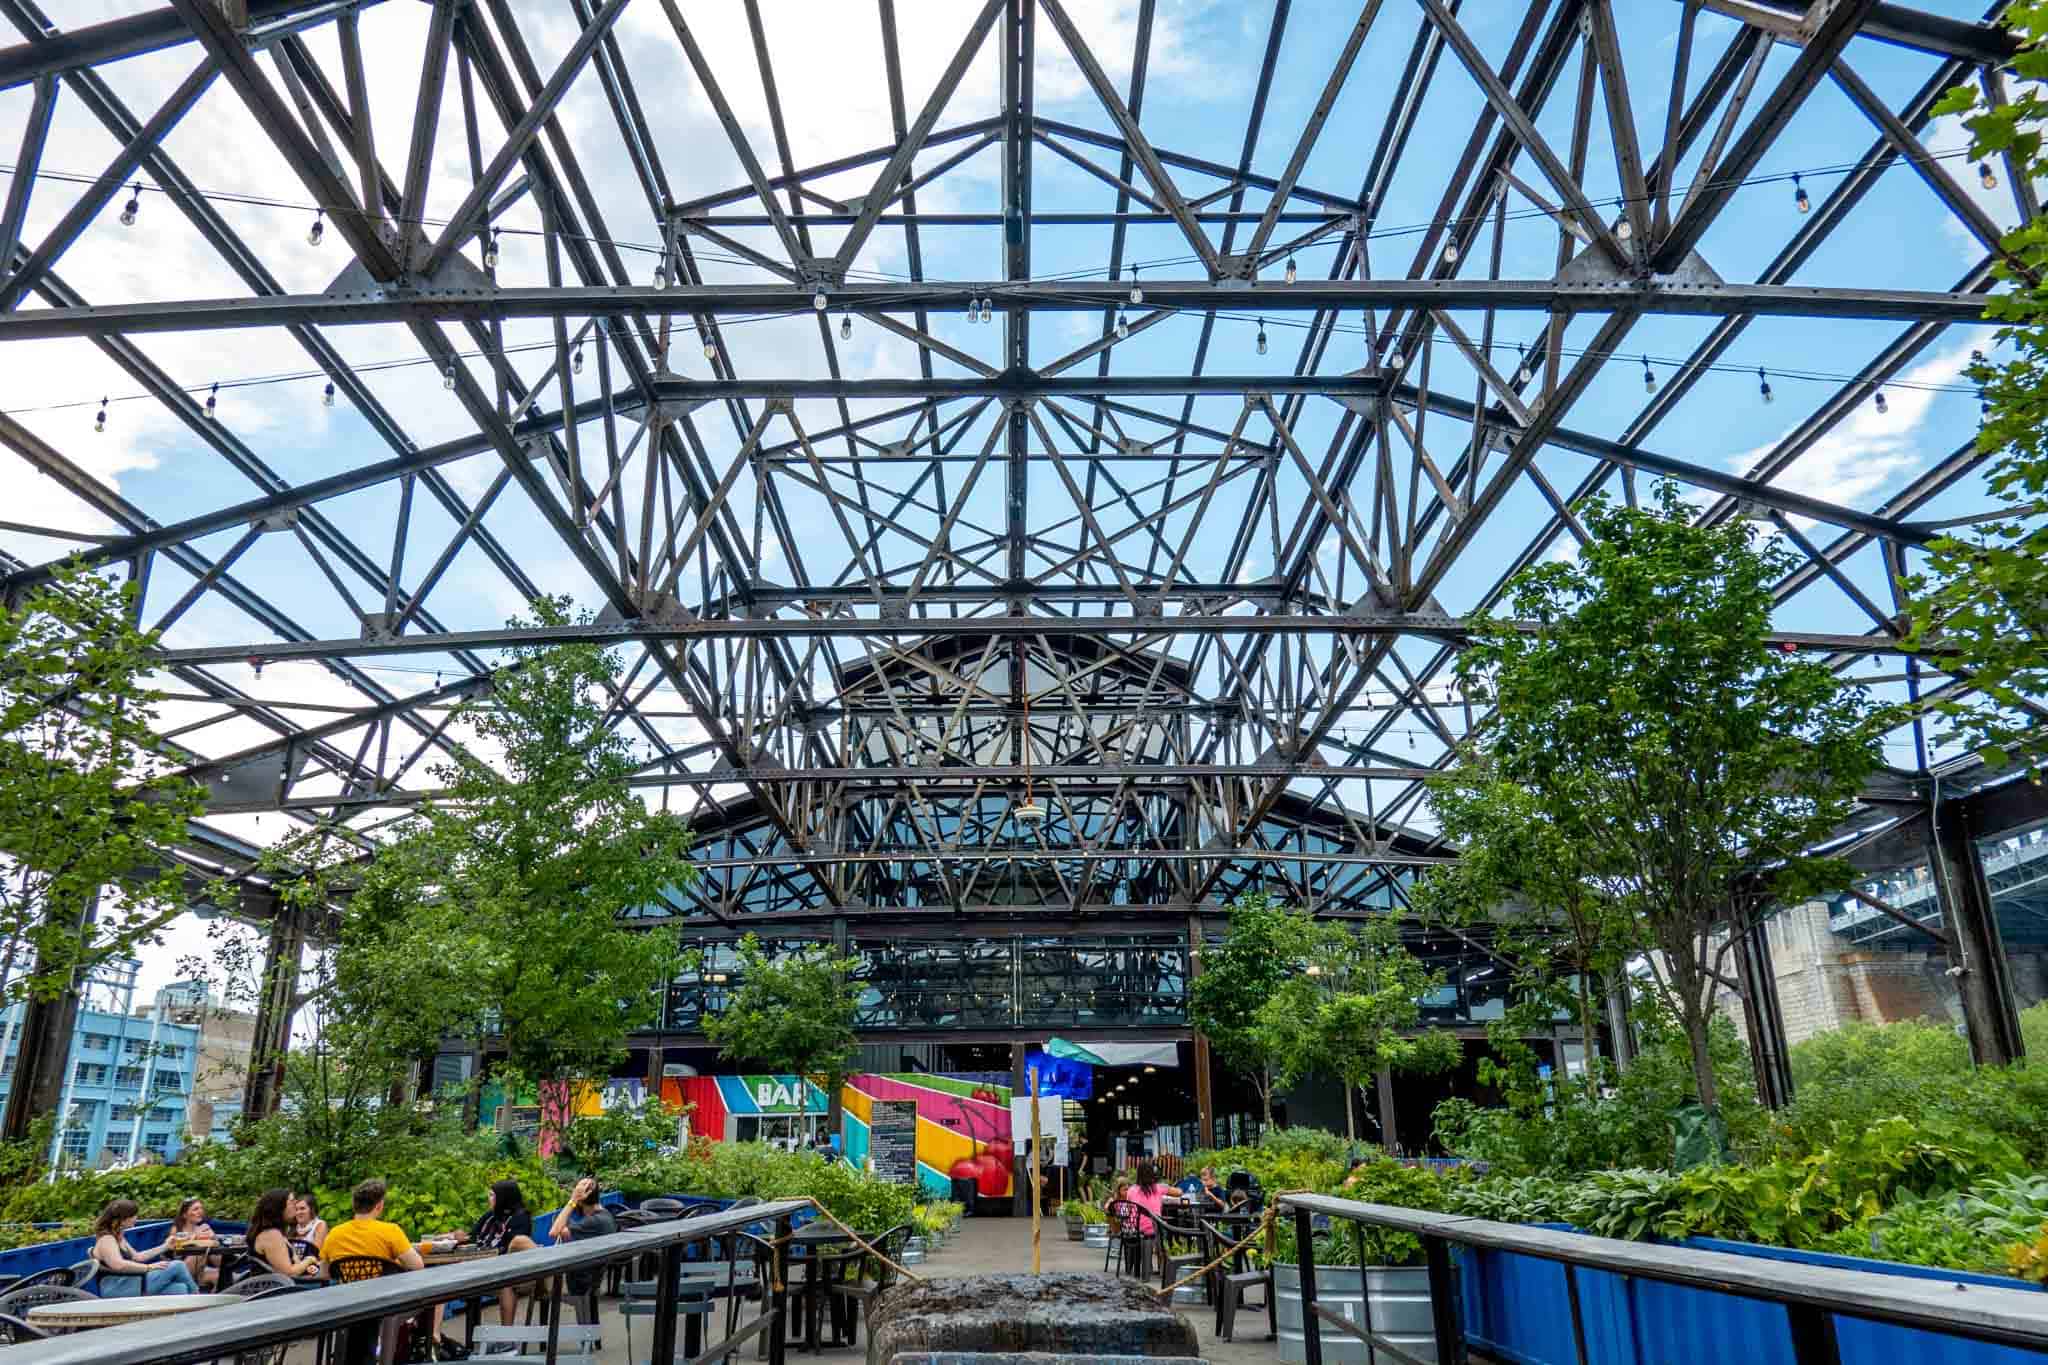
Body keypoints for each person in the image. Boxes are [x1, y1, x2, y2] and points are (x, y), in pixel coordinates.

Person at [449, 1179, 538, 1326]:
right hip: (483, 1266)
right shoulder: (490, 1215)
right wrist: (456, 1237)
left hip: (511, 1272)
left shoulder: (520, 1218)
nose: (488, 1198)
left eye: (492, 1195)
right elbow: (473, 1237)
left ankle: (506, 1338)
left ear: (504, 1197)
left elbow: (510, 1249)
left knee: (506, 1284)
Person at [91, 1199, 200, 1296]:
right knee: (178, 1265)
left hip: (131, 1282)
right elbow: (118, 1265)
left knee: (180, 1289)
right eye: (134, 1215)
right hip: (118, 1287)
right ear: (123, 1218)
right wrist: (148, 1268)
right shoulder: (107, 1239)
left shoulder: (118, 1236)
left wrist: (165, 1246)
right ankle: (198, 1297)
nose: (136, 1218)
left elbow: (138, 1257)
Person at [548, 1177, 616, 1324]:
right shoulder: (605, 1217)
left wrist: (572, 1201)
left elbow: (553, 1232)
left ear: (582, 1197)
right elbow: (565, 1232)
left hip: (579, 1283)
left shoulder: (594, 1221)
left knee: (520, 1244)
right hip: (590, 1280)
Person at [248, 1188, 323, 1282]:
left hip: (281, 1286)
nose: (296, 1205)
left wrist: (306, 1267)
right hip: (278, 1291)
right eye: (292, 1201)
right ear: (278, 1207)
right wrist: (309, 1260)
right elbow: (289, 1273)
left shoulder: (276, 1233)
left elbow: (294, 1264)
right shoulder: (271, 1235)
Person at [167, 1197, 219, 1288]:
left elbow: (216, 1257)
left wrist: (213, 1238)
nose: (200, 1212)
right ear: (185, 1215)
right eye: (195, 1209)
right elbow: (175, 1249)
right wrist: (195, 1236)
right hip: (181, 1270)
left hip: (200, 1271)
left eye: (201, 1208)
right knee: (200, 1250)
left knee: (219, 1276)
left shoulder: (203, 1228)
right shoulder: (176, 1229)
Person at [288, 1191, 328, 1257]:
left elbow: (315, 1253)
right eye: (296, 1209)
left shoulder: (320, 1225)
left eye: (302, 1209)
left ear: (312, 1210)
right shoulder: (292, 1228)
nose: (298, 1212)